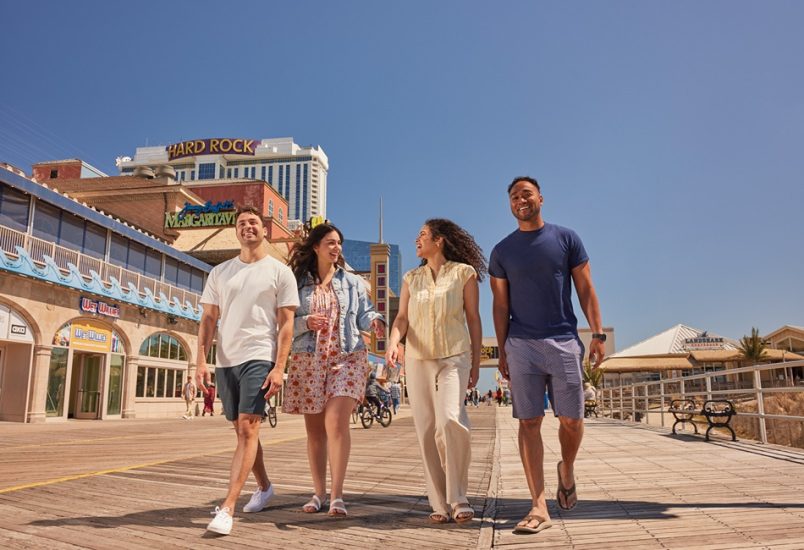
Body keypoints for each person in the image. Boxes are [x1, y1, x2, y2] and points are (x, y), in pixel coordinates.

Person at [490, 176, 605, 535]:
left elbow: (585, 288)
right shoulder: (502, 251)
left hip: (563, 340)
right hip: (521, 344)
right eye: (514, 196)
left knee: (571, 420)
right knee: (529, 422)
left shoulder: (566, 239)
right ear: (510, 205)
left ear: (540, 198)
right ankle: (538, 505)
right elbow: (500, 304)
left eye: (526, 194)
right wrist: (503, 349)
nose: (520, 200)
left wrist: (598, 333)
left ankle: (566, 468)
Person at [195, 205, 299, 536]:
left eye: (253, 222)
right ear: (236, 231)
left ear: (264, 230)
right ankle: (265, 487)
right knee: (243, 431)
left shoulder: (280, 272)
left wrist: (279, 367)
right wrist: (200, 361)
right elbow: (208, 318)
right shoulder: (220, 272)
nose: (247, 227)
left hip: (260, 355)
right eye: (241, 223)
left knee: (247, 427)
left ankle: (228, 507)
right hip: (226, 359)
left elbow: (286, 324)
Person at [387, 218, 485, 524]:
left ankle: (459, 496)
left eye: (422, 235)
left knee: (449, 420)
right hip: (417, 359)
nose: (417, 240)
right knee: (427, 429)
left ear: (439, 240)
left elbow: (473, 318)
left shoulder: (463, 273)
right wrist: (393, 342)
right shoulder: (411, 278)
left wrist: (476, 362)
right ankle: (440, 502)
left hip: (454, 355)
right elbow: (402, 318)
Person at [283, 222, 384, 517]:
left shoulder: (351, 282)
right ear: (316, 247)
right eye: (330, 242)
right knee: (315, 433)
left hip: (347, 357)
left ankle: (338, 495)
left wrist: (375, 321)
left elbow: (365, 312)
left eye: (339, 242)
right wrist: (306, 322)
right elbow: (284, 321)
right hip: (309, 360)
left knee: (336, 422)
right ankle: (319, 493)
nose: (336, 247)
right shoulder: (296, 282)